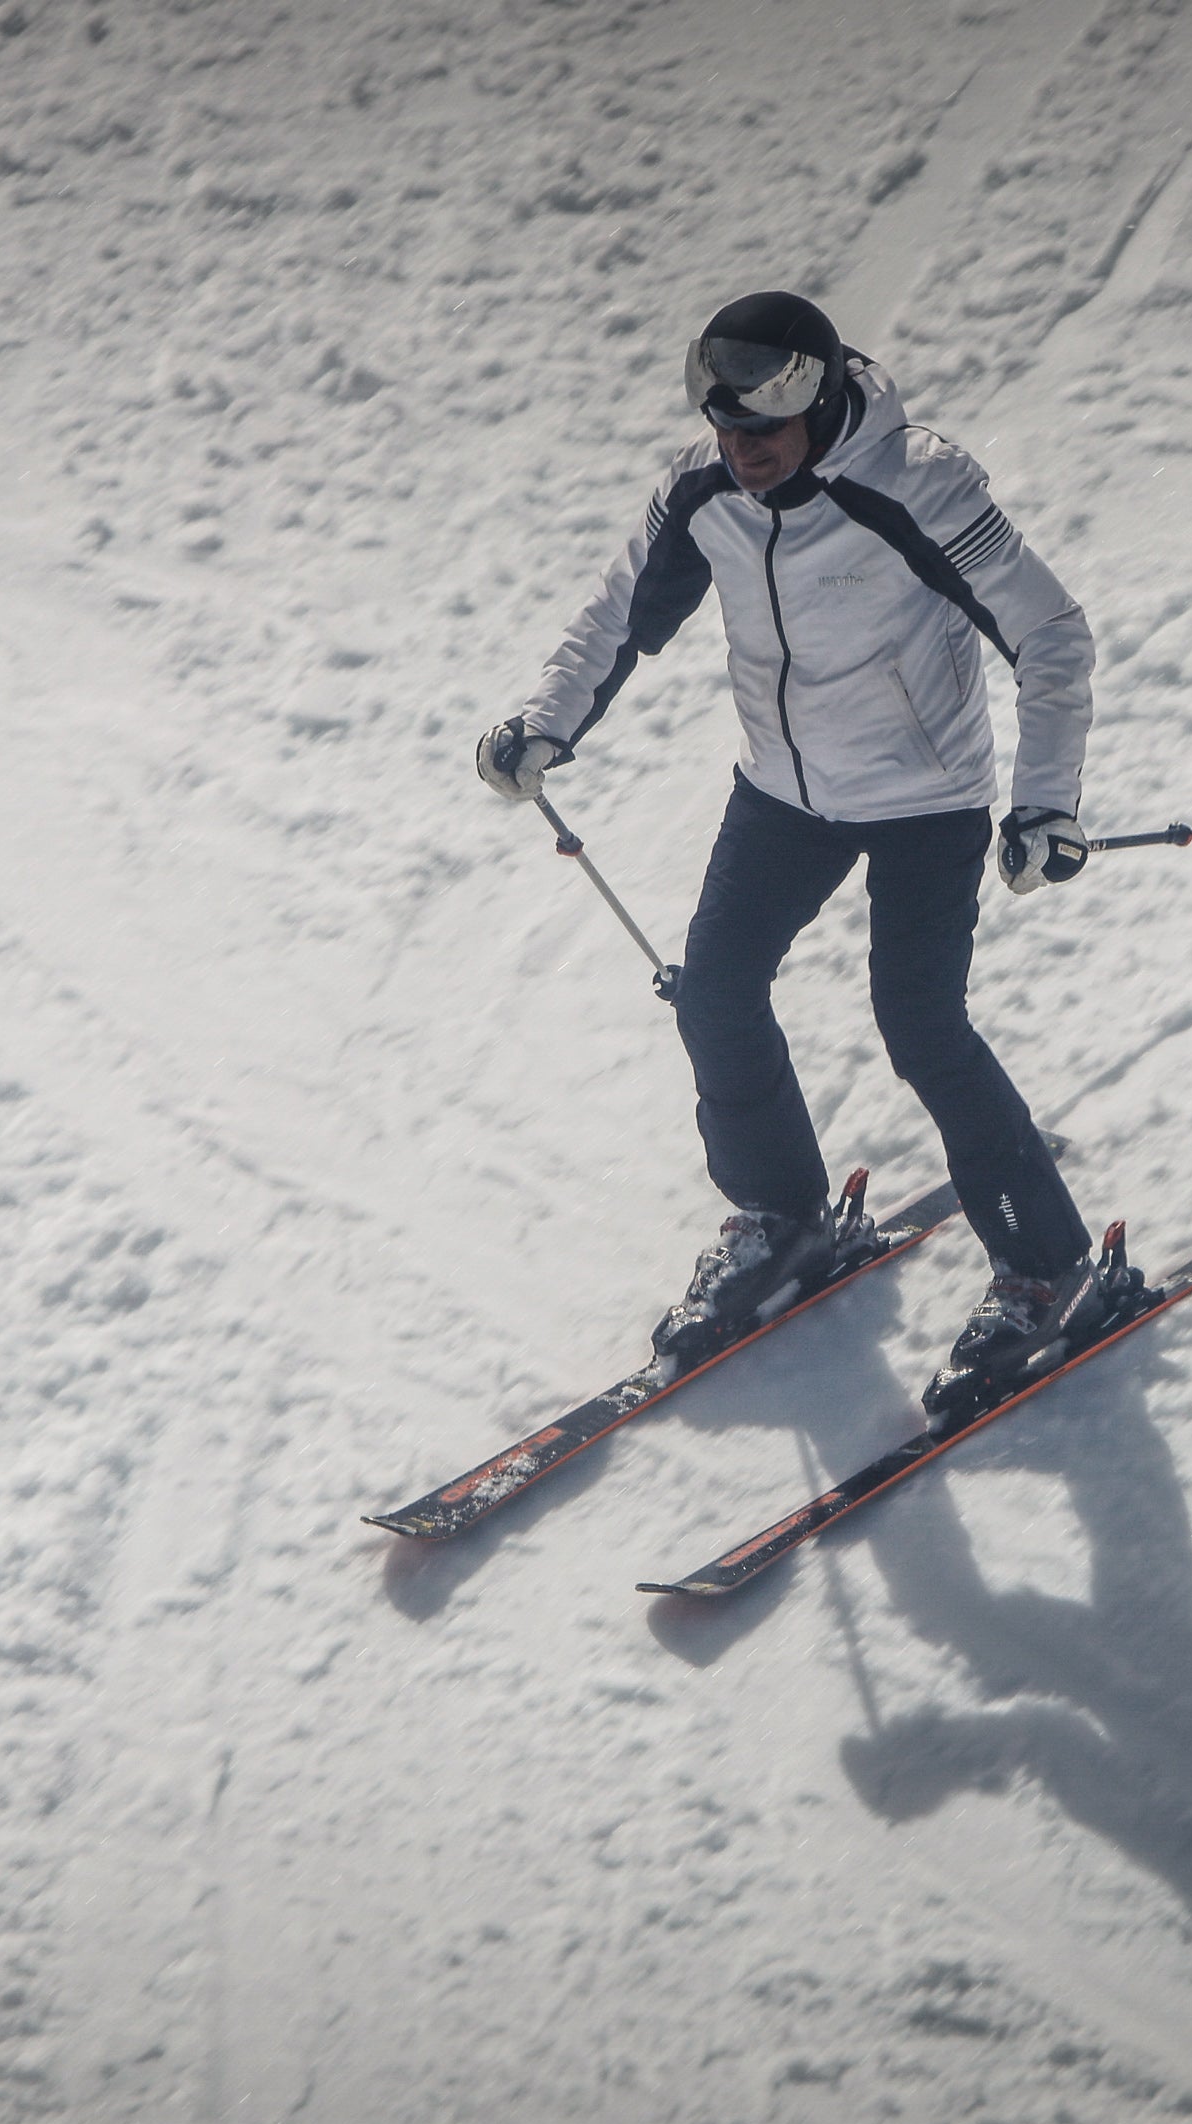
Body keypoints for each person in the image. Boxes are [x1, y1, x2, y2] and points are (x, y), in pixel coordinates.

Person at [474, 289, 1100, 1383]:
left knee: (919, 1026)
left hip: (924, 795)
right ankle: (779, 1214)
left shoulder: (914, 484)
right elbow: (619, 613)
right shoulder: (703, 488)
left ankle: (1047, 1263)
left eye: (758, 429)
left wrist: (1044, 800)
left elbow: (1050, 634)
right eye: (723, 429)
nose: (740, 449)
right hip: (783, 791)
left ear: (809, 402)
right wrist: (545, 721)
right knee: (712, 991)